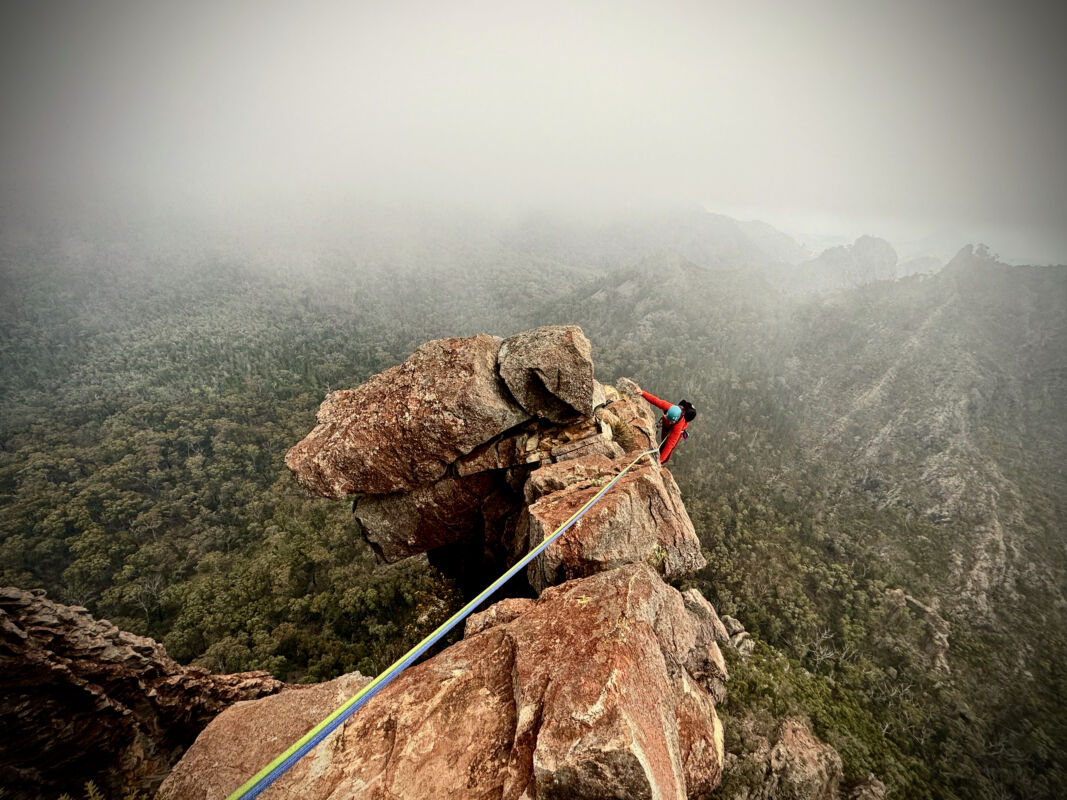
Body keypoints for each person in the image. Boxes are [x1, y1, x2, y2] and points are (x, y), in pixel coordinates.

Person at [631, 385, 696, 464]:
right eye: (669, 419)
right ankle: (661, 455)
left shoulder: (679, 426)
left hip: (678, 431)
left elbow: (670, 444)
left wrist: (660, 461)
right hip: (666, 427)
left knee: (668, 447)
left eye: (671, 421)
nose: (670, 422)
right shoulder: (668, 407)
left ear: (676, 420)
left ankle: (663, 462)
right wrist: (642, 393)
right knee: (664, 441)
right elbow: (656, 401)